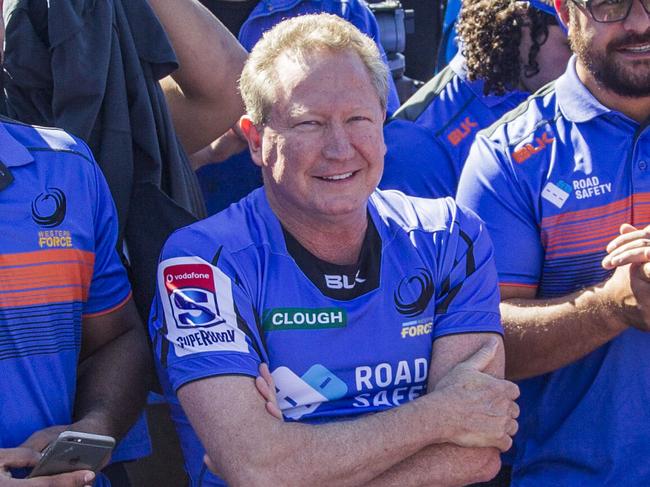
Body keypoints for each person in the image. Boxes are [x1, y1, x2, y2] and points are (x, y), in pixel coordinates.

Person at [150, 13, 520, 487]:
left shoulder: (450, 235)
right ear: (257, 140)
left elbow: (475, 456)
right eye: (310, 124)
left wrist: (295, 460)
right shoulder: (199, 264)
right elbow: (257, 466)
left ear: (384, 125)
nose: (340, 148)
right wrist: (439, 415)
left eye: (358, 119)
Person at [456, 0, 650, 484]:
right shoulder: (508, 156)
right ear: (566, 11)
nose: (641, 23)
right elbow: (477, 344)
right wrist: (613, 305)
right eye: (611, 5)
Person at [380, 0, 571, 198]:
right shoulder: (421, 142)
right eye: (570, 46)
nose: (580, 63)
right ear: (522, 18)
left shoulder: (567, 94)